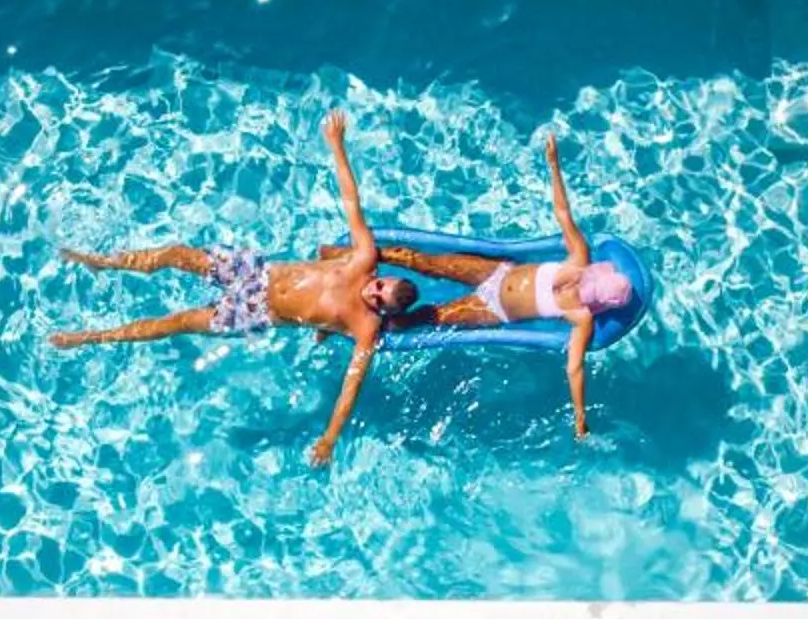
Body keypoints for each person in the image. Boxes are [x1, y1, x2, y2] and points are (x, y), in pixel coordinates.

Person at [50, 109, 420, 468]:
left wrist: (329, 438)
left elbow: (349, 389)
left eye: (379, 301)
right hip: (255, 273)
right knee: (175, 255)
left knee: (176, 323)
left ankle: (88, 337)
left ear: (385, 314)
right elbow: (351, 200)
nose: (372, 293)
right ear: (382, 276)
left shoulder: (365, 329)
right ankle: (101, 262)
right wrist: (337, 144)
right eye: (379, 286)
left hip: (256, 312)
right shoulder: (363, 258)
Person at [370, 135, 632, 438]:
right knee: (429, 263)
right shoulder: (578, 261)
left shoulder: (581, 315)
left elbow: (575, 368)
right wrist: (554, 165)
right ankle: (371, 256)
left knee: (430, 316)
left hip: (493, 310)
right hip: (494, 273)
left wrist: (579, 417)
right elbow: (562, 212)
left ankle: (372, 323)